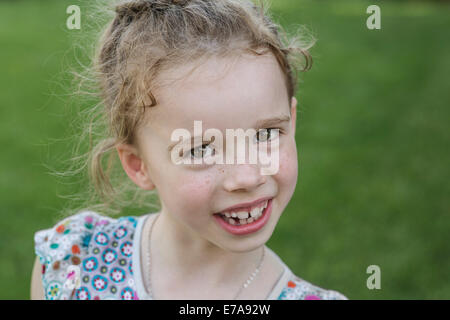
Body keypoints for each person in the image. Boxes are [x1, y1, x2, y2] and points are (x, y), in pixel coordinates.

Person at [31, 0, 348, 300]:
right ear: (138, 165)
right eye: (200, 150)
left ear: (291, 123)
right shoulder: (73, 263)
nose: (247, 176)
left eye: (265, 134)